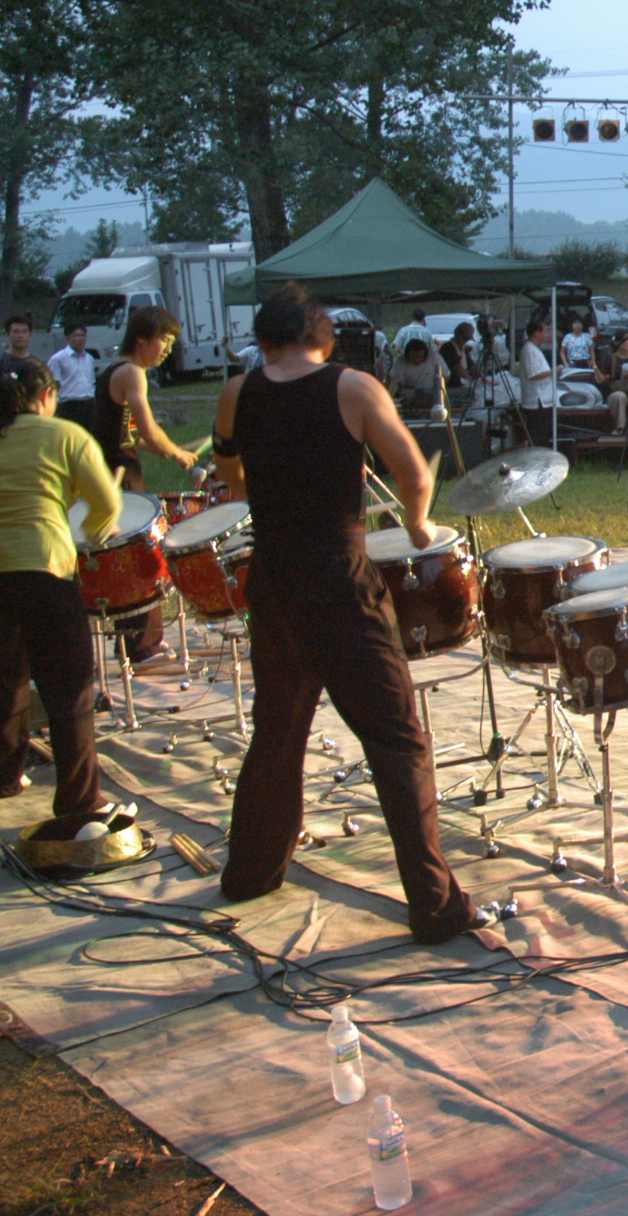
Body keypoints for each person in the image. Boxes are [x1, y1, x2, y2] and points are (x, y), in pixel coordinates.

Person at [210, 286, 479, 943]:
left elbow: (231, 478)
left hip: (272, 580)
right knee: (396, 738)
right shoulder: (353, 388)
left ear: (264, 338)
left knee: (278, 728)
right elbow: (413, 472)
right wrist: (416, 523)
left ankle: (250, 873)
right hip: (339, 579)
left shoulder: (237, 391)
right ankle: (434, 904)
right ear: (320, 336)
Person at [0, 357, 121, 819]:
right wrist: (89, 533)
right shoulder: (65, 435)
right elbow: (106, 503)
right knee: (69, 687)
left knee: (3, 675)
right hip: (41, 566)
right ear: (47, 396)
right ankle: (80, 801)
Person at [95, 305, 200, 667]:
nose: (168, 349)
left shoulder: (114, 370)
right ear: (142, 339)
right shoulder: (132, 373)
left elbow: (130, 435)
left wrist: (164, 447)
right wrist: (176, 453)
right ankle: (143, 648)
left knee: (127, 554)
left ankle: (134, 644)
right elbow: (150, 431)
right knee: (139, 555)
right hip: (119, 474)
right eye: (165, 340)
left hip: (112, 470)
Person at [46, 324, 98, 433]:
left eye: (82, 336)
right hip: (69, 406)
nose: (80, 339)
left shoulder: (89, 358)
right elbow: (52, 384)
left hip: (89, 405)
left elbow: (90, 381)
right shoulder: (58, 359)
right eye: (76, 336)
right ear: (68, 338)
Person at [388, 338, 442, 416]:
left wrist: (439, 392)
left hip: (431, 399)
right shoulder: (400, 361)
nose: (417, 359)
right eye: (413, 356)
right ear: (407, 355)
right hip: (409, 400)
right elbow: (396, 382)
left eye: (420, 356)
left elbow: (446, 375)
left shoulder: (434, 357)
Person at [518, 318, 557, 412]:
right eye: (544, 332)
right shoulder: (529, 350)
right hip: (536, 400)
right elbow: (533, 374)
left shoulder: (534, 348)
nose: (546, 335)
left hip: (543, 399)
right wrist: (553, 371)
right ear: (536, 333)